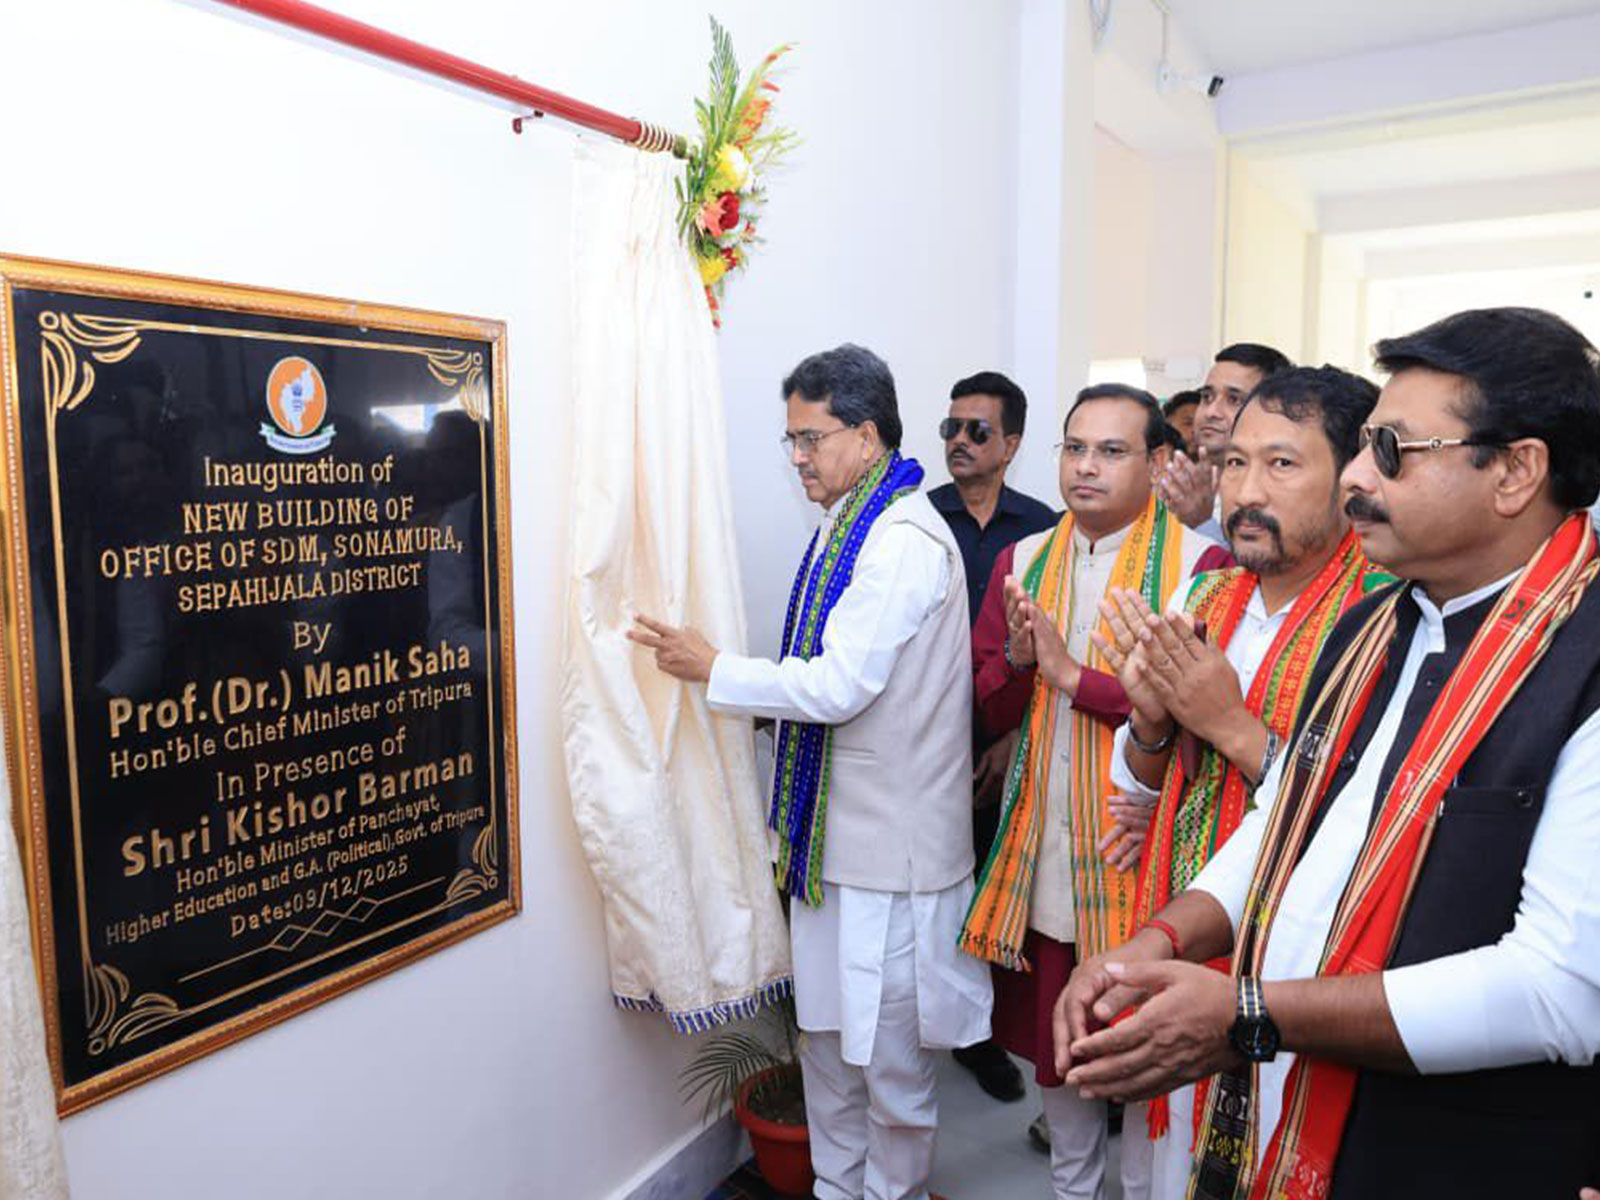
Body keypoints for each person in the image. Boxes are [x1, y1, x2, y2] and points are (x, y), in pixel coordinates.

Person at [1052, 308, 1600, 1200]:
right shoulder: (1374, 626)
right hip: (1288, 1096)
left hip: (1450, 1151)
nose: (1356, 475)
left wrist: (1249, 1014)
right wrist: (1156, 941)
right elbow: (1293, 818)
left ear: (1515, 470)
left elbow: (1558, 992)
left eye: (1392, 449)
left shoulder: (1585, 662)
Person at [630, 344, 992, 1200]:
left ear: (864, 436)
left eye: (809, 437)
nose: (796, 456)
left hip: (890, 865)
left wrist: (714, 668)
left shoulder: (900, 538)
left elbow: (836, 684)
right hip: (828, 855)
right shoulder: (847, 522)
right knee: (827, 1054)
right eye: (789, 439)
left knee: (891, 1076)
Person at [1090, 366, 1385, 1198]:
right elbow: (1144, 788)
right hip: (1180, 919)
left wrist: (1229, 725)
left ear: (1354, 477)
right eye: (1235, 464)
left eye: (1283, 466)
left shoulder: (1384, 614)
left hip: (1296, 966)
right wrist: (1150, 721)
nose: (1247, 491)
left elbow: (1365, 815)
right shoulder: (1206, 593)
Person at [959, 384, 1226, 1199]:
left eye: (1111, 451)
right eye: (1074, 448)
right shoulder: (1025, 558)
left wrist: (1076, 679)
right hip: (1044, 844)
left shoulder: (1199, 567)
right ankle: (1074, 1189)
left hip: (1142, 844)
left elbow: (1198, 713)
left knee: (1150, 1060)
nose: (1086, 466)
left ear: (1156, 463)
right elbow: (991, 701)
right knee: (1058, 1048)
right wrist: (1023, 663)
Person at [928, 370, 1056, 1103]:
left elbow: (1055, 640)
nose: (960, 443)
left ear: (1011, 444)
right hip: (929, 739)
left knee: (996, 884)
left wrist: (1012, 738)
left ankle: (991, 1032)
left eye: (978, 431)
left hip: (1009, 739)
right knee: (941, 887)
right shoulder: (919, 521)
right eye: (951, 428)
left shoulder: (1042, 531)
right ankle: (959, 1033)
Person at [1159, 344, 1292, 543]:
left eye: (1233, 399)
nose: (1211, 412)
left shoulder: (1282, 491)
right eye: (1207, 397)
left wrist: (1201, 524)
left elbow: (1251, 572)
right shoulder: (1181, 487)